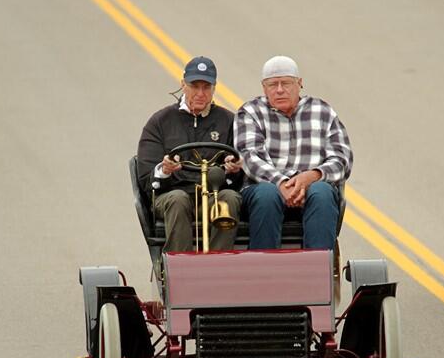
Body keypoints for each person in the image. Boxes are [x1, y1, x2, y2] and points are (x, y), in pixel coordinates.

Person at [234, 56, 352, 250]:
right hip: (265, 191)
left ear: (299, 83)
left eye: (286, 83)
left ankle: (317, 272)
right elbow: (249, 157)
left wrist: (311, 176)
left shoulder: (322, 111)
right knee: (266, 194)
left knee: (322, 191)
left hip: (312, 190)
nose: (280, 89)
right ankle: (263, 271)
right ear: (264, 88)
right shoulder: (250, 112)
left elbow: (342, 158)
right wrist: (281, 183)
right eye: (273, 84)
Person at [136, 56, 243, 253]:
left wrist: (233, 169)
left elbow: (240, 176)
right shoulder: (160, 122)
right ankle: (181, 270)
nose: (200, 93)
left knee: (229, 198)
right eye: (195, 86)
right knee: (178, 199)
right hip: (171, 197)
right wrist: (165, 170)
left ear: (214, 88)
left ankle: (218, 266)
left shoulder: (228, 121)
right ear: (183, 85)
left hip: (212, 195)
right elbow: (145, 177)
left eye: (206, 87)